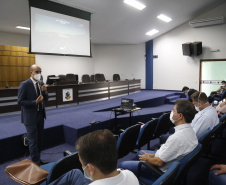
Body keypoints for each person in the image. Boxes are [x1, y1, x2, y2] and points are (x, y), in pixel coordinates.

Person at [119, 99, 198, 182]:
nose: (172, 112)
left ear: (180, 116)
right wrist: (152, 155)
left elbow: (159, 162)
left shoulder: (177, 138)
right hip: (165, 162)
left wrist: (148, 159)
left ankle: (131, 176)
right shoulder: (190, 131)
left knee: (122, 165)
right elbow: (168, 152)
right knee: (140, 153)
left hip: (157, 172)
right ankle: (133, 177)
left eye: (174, 110)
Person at [49, 129, 139, 185]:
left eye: (82, 165)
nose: (83, 168)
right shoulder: (130, 175)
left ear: (91, 168)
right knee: (75, 173)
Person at [18, 64, 49, 165]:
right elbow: (20, 101)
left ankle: (38, 159)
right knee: (32, 141)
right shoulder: (24, 84)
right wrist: (34, 102)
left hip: (40, 115)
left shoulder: (41, 83)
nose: (39, 74)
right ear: (31, 72)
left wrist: (45, 92)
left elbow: (46, 99)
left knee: (40, 140)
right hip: (30, 117)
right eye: (37, 72)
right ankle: (36, 164)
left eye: (40, 72)